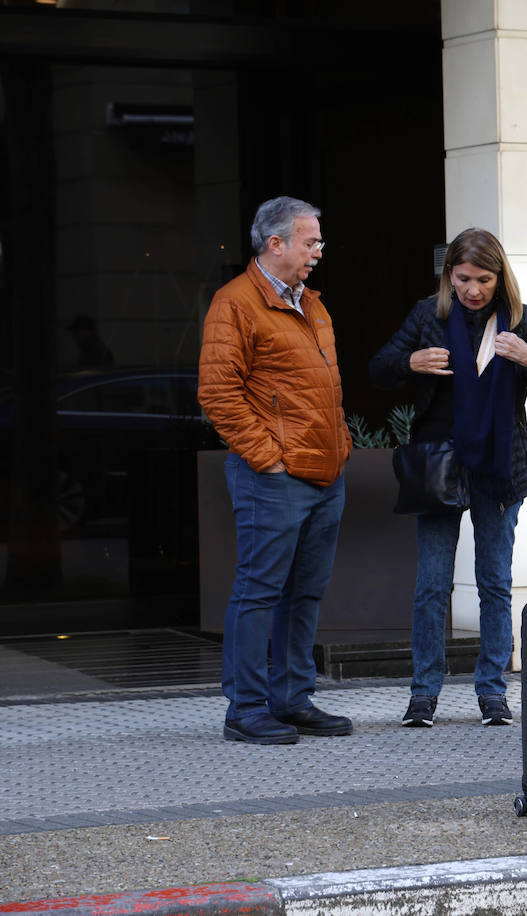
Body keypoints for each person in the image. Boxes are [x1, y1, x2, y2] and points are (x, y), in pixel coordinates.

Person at [370, 228, 527, 728]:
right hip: (440, 468)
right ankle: (423, 695)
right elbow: (378, 370)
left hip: (501, 469)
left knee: (494, 584)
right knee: (432, 585)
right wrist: (410, 362)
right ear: (448, 276)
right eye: (463, 279)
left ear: (500, 277)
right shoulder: (429, 316)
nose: (473, 290)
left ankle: (492, 693)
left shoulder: (520, 320)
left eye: (484, 279)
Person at [198, 196, 352, 746]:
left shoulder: (311, 303)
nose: (318, 251)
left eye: (318, 242)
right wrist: (269, 457)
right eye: (310, 241)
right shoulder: (235, 302)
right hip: (276, 475)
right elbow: (218, 392)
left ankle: (292, 698)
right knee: (260, 591)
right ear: (275, 243)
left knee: (304, 593)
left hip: (323, 472)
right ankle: (245, 707)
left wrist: (340, 445)